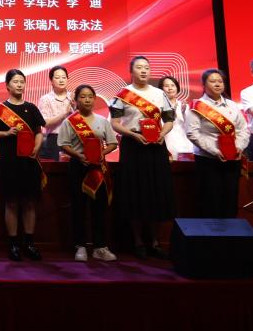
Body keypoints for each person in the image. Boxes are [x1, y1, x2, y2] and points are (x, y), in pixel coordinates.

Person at [110, 56, 176, 259]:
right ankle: (138, 241)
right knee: (135, 192)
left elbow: (169, 120)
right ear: (131, 71)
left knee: (156, 191)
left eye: (147, 67)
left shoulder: (159, 94)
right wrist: (132, 135)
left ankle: (155, 242)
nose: (144, 71)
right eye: (139, 67)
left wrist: (162, 134)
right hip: (133, 146)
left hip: (156, 146)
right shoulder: (123, 94)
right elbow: (115, 123)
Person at [0, 69, 45, 261]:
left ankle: (29, 243)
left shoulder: (31, 108)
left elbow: (38, 131)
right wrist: (6, 133)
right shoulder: (1, 110)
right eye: (15, 81)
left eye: (22, 81)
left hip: (30, 161)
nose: (19, 85)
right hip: (9, 162)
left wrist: (37, 147)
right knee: (11, 202)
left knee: (29, 202)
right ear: (7, 86)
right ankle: (13, 244)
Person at [58, 84, 118, 262]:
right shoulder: (70, 121)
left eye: (90, 96)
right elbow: (63, 144)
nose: (87, 100)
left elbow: (113, 143)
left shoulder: (102, 121)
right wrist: (78, 156)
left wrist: (101, 154)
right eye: (83, 96)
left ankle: (100, 247)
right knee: (78, 208)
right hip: (78, 167)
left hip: (98, 169)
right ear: (76, 100)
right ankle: (80, 246)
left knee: (99, 208)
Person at [187, 68, 249, 218]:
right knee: (211, 200)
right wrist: (214, 151)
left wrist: (239, 147)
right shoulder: (196, 106)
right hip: (208, 160)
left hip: (232, 159)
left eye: (220, 81)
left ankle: (230, 231)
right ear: (204, 84)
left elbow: (243, 130)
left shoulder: (232, 105)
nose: (217, 84)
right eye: (212, 81)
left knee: (230, 198)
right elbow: (192, 133)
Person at [37, 65, 73, 160]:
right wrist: (65, 114)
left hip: (74, 139)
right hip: (54, 140)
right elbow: (45, 123)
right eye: (57, 77)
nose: (61, 80)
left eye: (64, 77)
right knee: (57, 167)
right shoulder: (45, 99)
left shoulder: (74, 97)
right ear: (51, 80)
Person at [160, 75, 194, 160]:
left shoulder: (183, 106)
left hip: (183, 142)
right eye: (166, 86)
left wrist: (184, 113)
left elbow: (191, 126)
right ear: (161, 89)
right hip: (166, 140)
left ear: (177, 88)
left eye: (173, 85)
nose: (170, 88)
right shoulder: (159, 106)